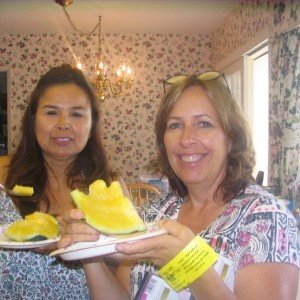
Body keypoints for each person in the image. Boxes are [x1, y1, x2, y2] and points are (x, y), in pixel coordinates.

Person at [59, 72, 300, 299]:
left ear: (231, 138)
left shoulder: (266, 217)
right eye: (174, 125)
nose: (186, 139)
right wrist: (88, 255)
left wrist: (188, 265)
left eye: (204, 124)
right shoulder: (153, 213)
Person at [0, 64, 129, 299]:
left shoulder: (111, 187)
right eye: (51, 112)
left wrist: (88, 249)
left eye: (77, 114)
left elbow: (121, 283)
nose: (63, 124)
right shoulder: (2, 174)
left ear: (92, 126)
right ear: (33, 120)